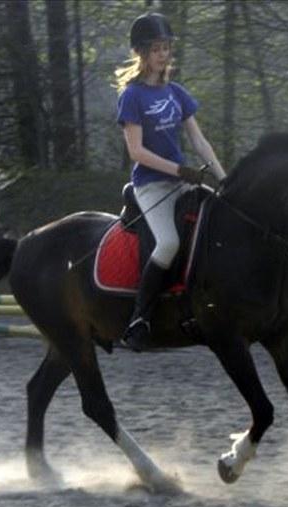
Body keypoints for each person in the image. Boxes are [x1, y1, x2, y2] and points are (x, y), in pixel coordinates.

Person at [115, 12, 227, 352]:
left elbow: (198, 141)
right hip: (152, 185)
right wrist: (178, 171)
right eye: (157, 49)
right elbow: (137, 152)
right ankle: (140, 318)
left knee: (217, 227)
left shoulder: (177, 92)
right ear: (142, 53)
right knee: (168, 244)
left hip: (182, 182)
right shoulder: (132, 96)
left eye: (166, 48)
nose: (163, 54)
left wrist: (224, 179)